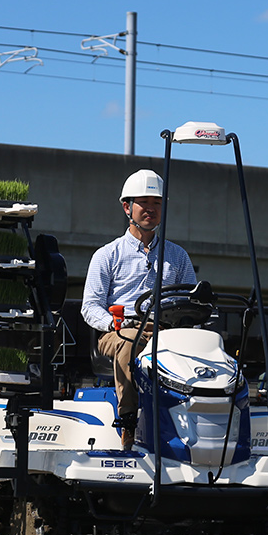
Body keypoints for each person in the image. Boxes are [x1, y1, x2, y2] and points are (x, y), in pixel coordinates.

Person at [81, 168, 197, 448]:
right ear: (127, 207)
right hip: (121, 331)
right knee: (130, 343)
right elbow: (90, 306)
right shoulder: (107, 255)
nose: (151, 209)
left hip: (167, 331)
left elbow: (192, 301)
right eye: (144, 203)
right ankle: (129, 423)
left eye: (157, 203)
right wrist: (113, 323)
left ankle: (199, 422)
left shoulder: (177, 256)